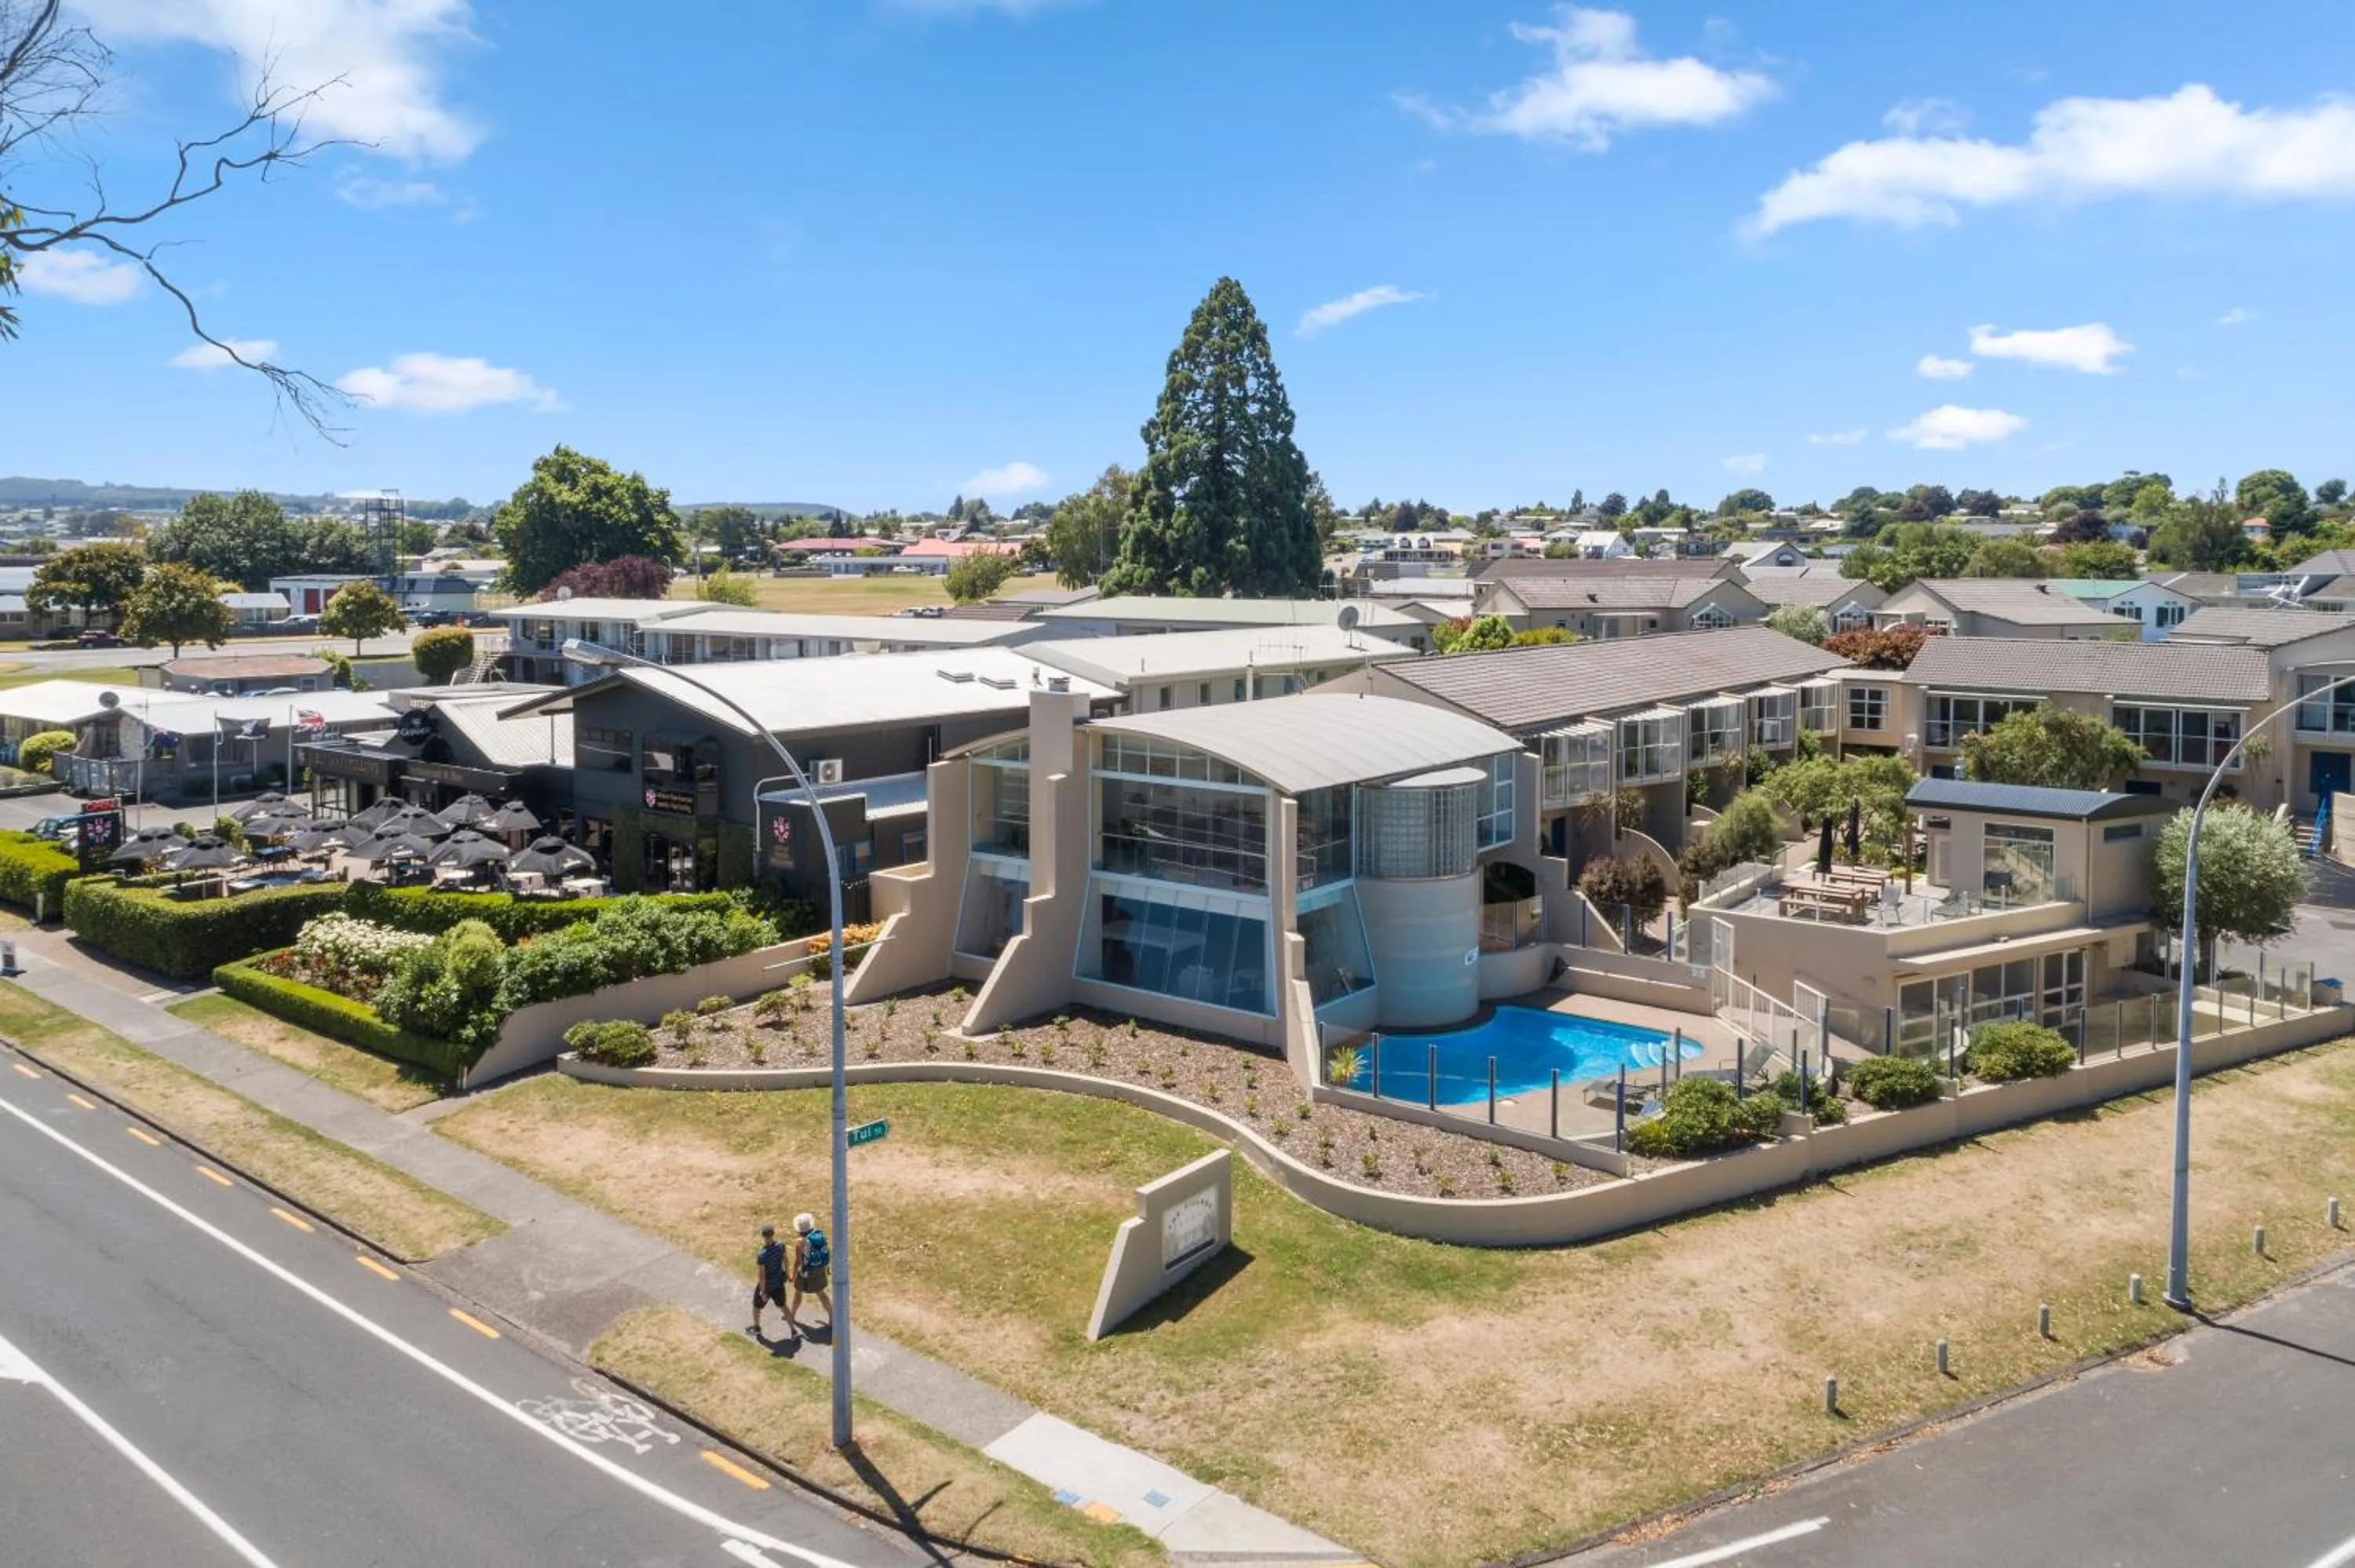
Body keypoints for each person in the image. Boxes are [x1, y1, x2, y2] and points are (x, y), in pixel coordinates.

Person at [787, 1211, 832, 1336]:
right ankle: (832, 1318)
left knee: (798, 1293)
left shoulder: (800, 1242)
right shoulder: (818, 1236)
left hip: (807, 1272)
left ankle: (791, 1315)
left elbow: (798, 1261)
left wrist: (793, 1275)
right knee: (821, 1294)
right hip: (820, 1269)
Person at [750, 1223, 789, 1340]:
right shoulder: (781, 1246)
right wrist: (787, 1274)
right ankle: (793, 1329)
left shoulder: (762, 1255)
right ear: (773, 1234)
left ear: (763, 1235)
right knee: (783, 1306)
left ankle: (757, 1328)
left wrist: (762, 1291)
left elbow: (762, 1276)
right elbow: (786, 1261)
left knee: (756, 1307)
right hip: (779, 1283)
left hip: (767, 1286)